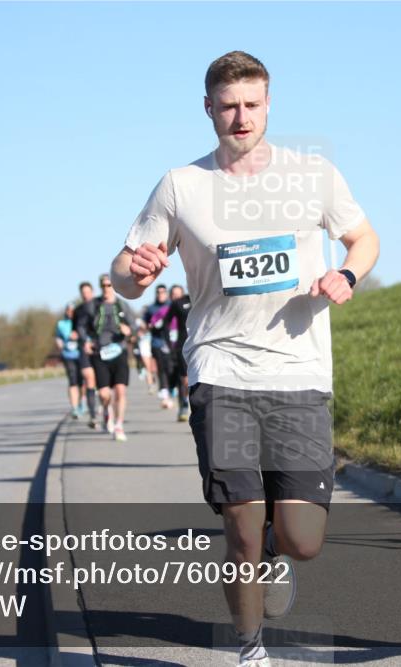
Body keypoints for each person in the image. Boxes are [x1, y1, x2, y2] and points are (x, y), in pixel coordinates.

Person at [111, 51, 379, 667]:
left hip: (300, 372)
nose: (240, 117)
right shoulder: (182, 184)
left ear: (268, 105)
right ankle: (250, 648)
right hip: (220, 370)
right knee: (239, 526)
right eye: (227, 106)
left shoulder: (313, 175)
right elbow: (124, 270)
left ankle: (275, 555)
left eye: (251, 105)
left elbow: (365, 237)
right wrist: (137, 270)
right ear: (208, 108)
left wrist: (347, 274)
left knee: (301, 538)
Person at [90, 274, 133, 442]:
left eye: (109, 285)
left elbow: (134, 328)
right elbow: (84, 326)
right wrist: (87, 341)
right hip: (100, 353)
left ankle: (119, 425)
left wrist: (129, 331)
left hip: (119, 352)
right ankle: (107, 411)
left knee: (120, 391)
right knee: (104, 394)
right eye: (104, 285)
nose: (107, 288)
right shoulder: (93, 306)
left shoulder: (122, 305)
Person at [73, 281, 101, 429]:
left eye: (87, 292)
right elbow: (75, 329)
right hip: (84, 349)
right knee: (89, 379)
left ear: (92, 291)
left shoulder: (99, 305)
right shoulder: (78, 310)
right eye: (83, 293)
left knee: (101, 383)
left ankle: (104, 408)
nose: (85, 295)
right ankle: (93, 416)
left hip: (100, 348)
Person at [166, 284, 192, 422]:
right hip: (183, 344)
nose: (176, 295)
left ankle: (197, 406)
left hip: (200, 342)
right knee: (185, 379)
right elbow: (166, 323)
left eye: (178, 293)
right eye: (173, 293)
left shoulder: (197, 298)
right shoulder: (177, 304)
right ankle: (183, 405)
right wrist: (169, 343)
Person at [54, 302, 81, 418]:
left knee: (82, 382)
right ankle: (74, 408)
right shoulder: (61, 324)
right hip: (67, 355)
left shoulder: (80, 322)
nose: (70, 313)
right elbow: (57, 337)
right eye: (68, 310)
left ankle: (82, 402)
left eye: (72, 311)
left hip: (81, 354)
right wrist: (59, 343)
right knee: (72, 380)